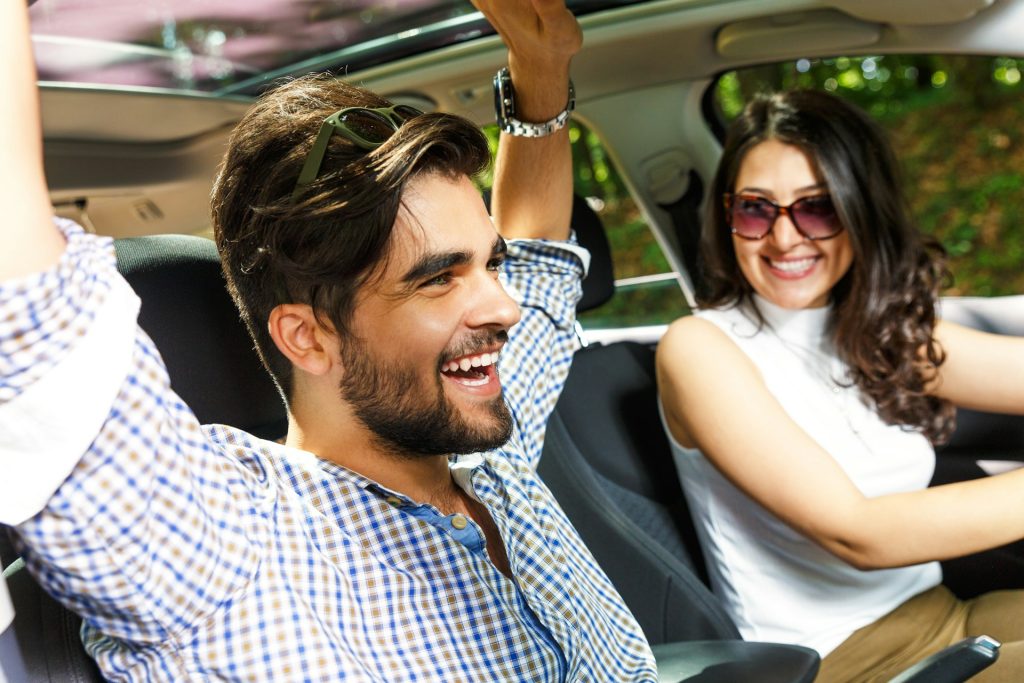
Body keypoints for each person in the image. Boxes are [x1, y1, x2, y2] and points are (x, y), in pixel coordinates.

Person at [0, 0, 658, 680]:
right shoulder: (230, 545)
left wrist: (542, 67)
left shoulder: (483, 439)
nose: (505, 305)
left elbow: (540, 255)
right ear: (308, 338)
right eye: (438, 279)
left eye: (487, 264)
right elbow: (32, 322)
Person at [656, 88, 1024, 682]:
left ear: (859, 211)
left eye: (818, 207)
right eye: (756, 209)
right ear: (727, 215)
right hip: (842, 662)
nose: (784, 238)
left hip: (946, 616)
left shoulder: (871, 329)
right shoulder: (700, 348)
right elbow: (860, 534)